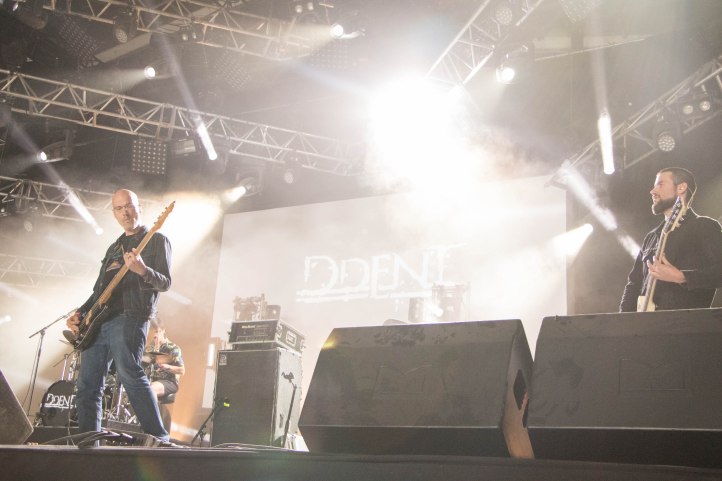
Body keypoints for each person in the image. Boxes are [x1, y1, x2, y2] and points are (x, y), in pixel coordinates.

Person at [66, 189, 172, 441]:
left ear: (139, 207)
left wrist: (143, 270)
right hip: (99, 322)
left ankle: (159, 438)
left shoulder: (157, 239)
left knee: (129, 373)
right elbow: (99, 291)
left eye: (129, 206)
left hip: (130, 316)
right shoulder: (114, 248)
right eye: (119, 208)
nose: (125, 212)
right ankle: (89, 444)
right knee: (87, 386)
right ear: (114, 213)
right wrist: (80, 312)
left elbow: (165, 282)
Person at [620, 167, 722, 312]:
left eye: (660, 184)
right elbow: (633, 284)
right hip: (645, 323)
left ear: (681, 188)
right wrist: (623, 320)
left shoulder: (704, 226)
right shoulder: (651, 236)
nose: (653, 191)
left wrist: (682, 277)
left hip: (687, 323)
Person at [144, 317, 184, 402]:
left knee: (151, 388)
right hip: (150, 379)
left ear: (163, 331)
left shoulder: (173, 348)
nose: (155, 335)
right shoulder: (149, 348)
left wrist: (166, 367)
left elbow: (182, 370)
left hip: (169, 382)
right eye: (153, 332)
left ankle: (152, 411)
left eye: (157, 332)